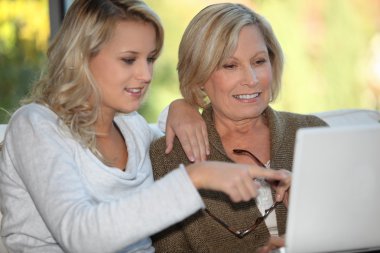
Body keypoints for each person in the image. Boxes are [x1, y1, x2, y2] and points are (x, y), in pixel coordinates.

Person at [0, 1, 291, 252]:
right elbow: (80, 236)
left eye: (150, 59)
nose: (145, 74)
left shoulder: (133, 130)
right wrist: (195, 177)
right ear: (82, 58)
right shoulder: (35, 125)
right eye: (129, 60)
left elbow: (169, 142)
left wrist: (182, 107)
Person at [150, 3, 328, 252]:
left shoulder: (315, 133)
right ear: (199, 75)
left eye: (258, 61)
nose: (251, 80)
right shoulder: (168, 158)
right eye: (230, 66)